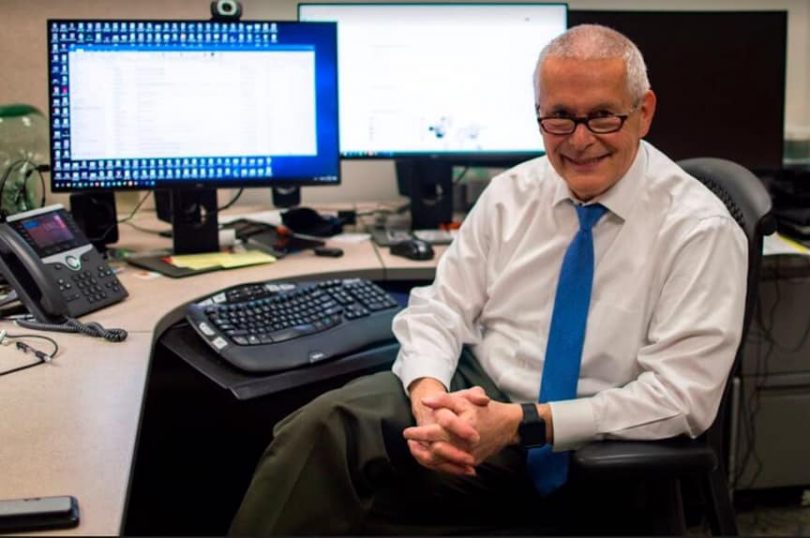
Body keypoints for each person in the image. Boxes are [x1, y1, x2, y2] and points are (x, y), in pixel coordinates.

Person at [229, 24, 747, 535]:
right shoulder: (512, 193)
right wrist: (431, 399)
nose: (580, 140)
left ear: (644, 112)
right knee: (320, 430)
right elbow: (441, 308)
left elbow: (680, 397)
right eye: (559, 118)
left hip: (585, 437)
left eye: (603, 117)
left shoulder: (700, 229)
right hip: (476, 395)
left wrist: (522, 423)